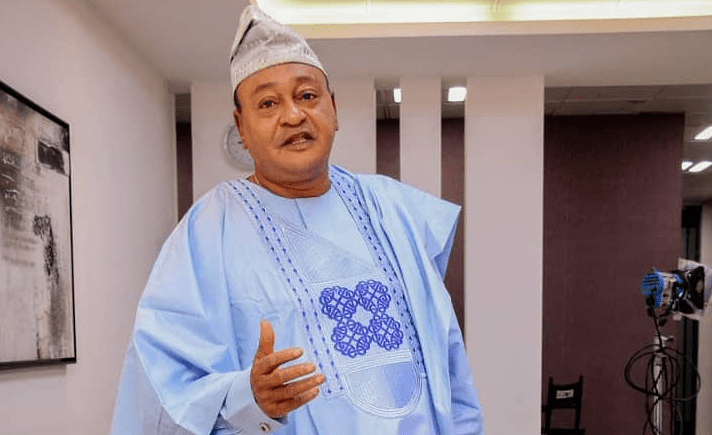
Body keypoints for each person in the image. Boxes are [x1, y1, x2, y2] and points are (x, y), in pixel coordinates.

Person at [110, 5, 484, 435]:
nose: (293, 115)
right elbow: (160, 389)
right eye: (268, 103)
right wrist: (248, 396)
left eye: (307, 96)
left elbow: (447, 356)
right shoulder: (207, 231)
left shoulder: (393, 210)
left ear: (333, 109)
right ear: (241, 127)